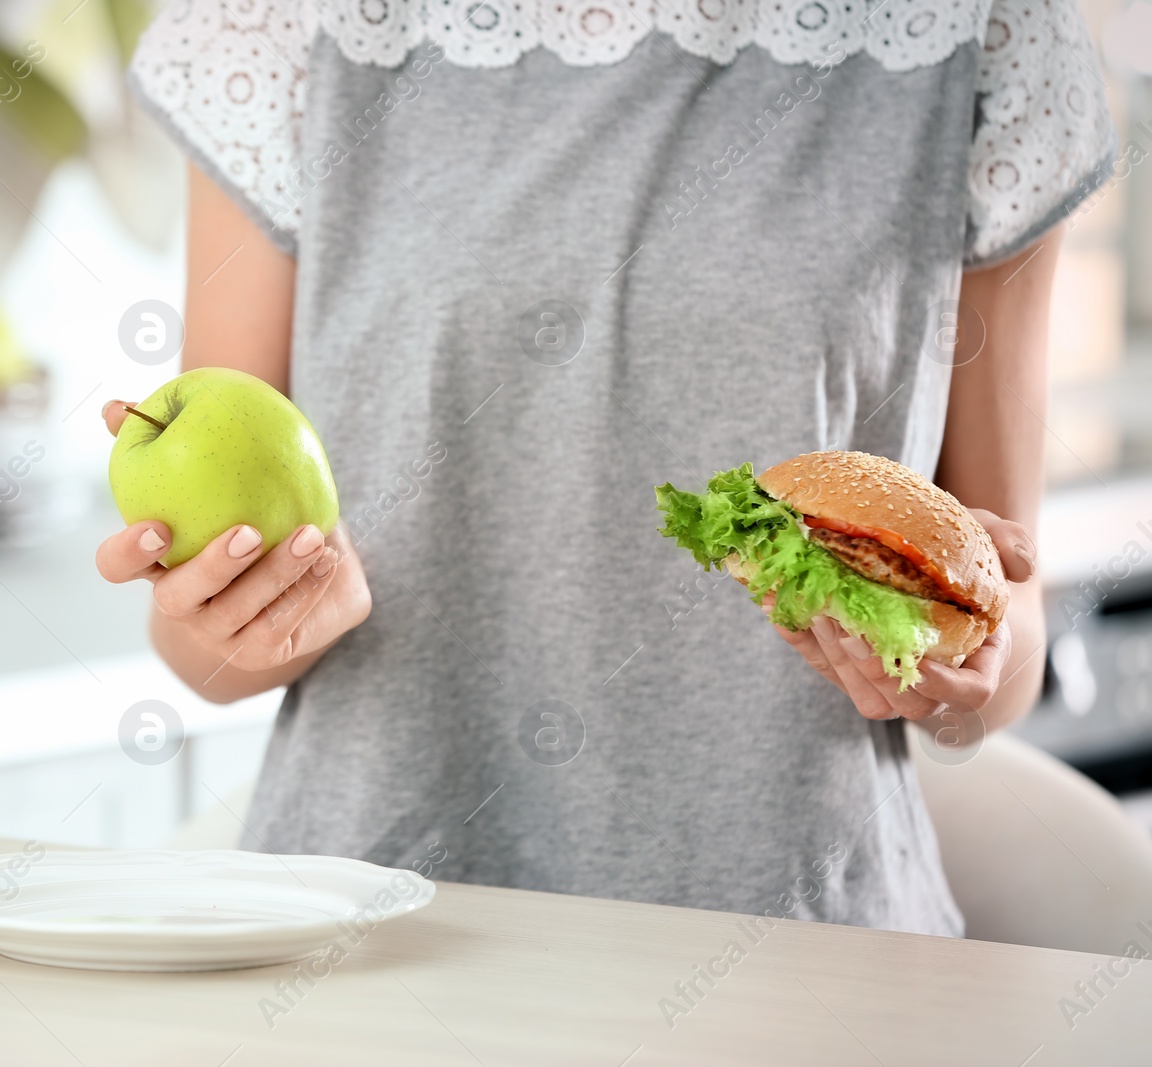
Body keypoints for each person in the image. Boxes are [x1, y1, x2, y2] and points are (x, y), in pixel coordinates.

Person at [95, 0, 1116, 934]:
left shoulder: (983, 33)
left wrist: (954, 674)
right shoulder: (273, 24)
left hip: (804, 961)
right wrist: (242, 611)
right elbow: (208, 656)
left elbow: (1003, 633)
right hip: (370, 938)